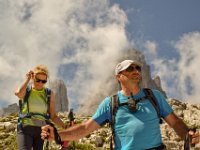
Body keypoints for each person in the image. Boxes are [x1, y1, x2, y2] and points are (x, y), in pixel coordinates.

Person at [41, 60, 199, 149]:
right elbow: (84, 129)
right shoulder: (110, 103)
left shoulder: (154, 96)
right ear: (119, 76)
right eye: (130, 69)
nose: (136, 70)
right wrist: (57, 135)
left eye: (138, 68)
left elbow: (175, 122)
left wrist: (187, 135)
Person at [15, 64, 67, 150]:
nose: (40, 83)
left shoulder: (49, 93)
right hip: (25, 128)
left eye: (43, 81)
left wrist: (65, 127)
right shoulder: (27, 90)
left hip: (41, 131)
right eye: (37, 80)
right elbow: (18, 94)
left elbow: (53, 116)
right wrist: (27, 79)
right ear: (33, 78)